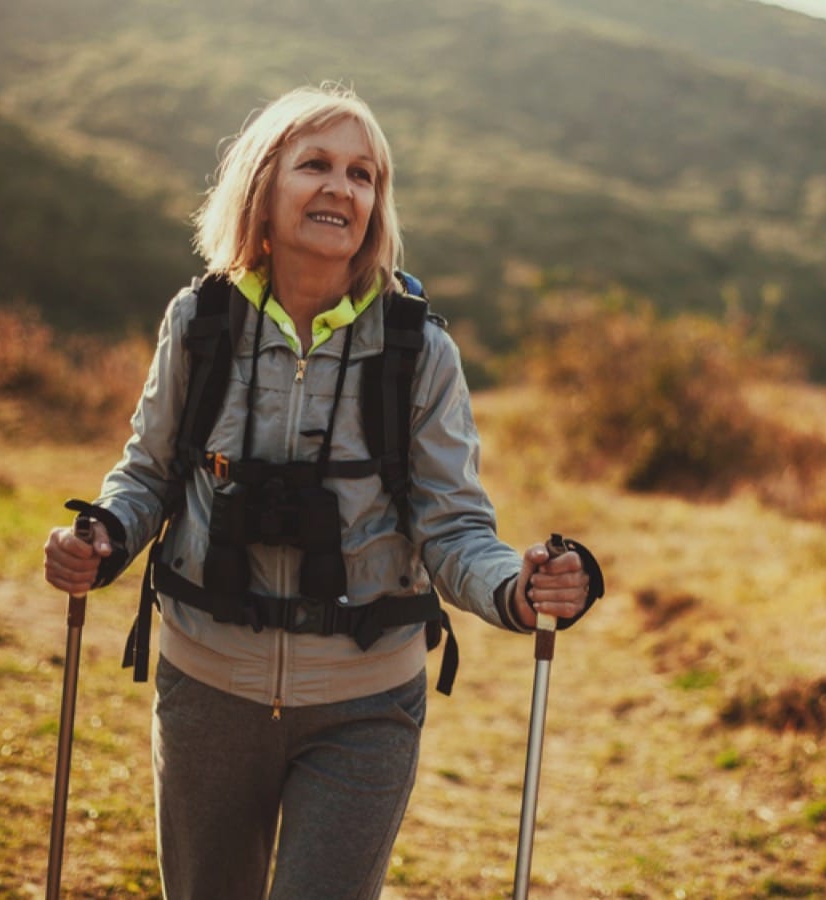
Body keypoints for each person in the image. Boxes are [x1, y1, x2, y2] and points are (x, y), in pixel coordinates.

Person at [41, 83, 600, 899]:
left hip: (365, 703)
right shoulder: (200, 323)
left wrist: (517, 591)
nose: (343, 187)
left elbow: (451, 526)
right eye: (316, 164)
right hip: (207, 689)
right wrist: (103, 537)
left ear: (377, 207)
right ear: (262, 188)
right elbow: (150, 475)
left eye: (364, 174)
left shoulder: (418, 351)